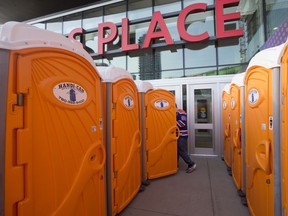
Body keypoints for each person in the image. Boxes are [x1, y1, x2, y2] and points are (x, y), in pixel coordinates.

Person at [176, 105, 196, 173]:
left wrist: (171, 121)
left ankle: (191, 164)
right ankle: (175, 164)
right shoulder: (178, 112)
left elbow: (182, 124)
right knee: (176, 150)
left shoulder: (181, 112)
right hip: (177, 135)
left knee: (181, 150)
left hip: (182, 135)